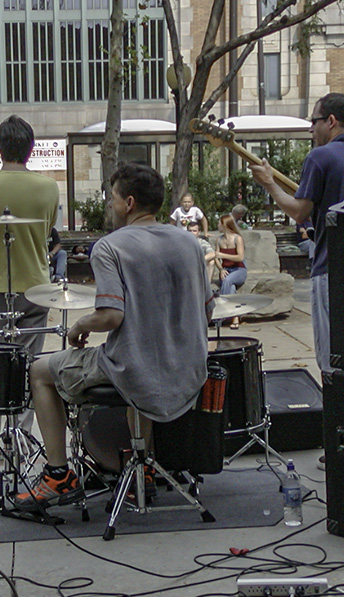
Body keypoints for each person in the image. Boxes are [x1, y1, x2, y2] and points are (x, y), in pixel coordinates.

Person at [13, 163, 214, 511]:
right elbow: (208, 311)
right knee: (142, 365)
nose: (111, 205)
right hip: (190, 371)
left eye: (114, 199)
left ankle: (58, 475)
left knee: (39, 371)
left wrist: (79, 327)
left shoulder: (110, 247)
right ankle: (143, 473)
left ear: (129, 203)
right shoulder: (191, 244)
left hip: (136, 373)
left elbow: (111, 316)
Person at [250, 93, 344, 471]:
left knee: (330, 362)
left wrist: (269, 183)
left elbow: (298, 209)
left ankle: (338, 444)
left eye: (313, 122)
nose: (310, 129)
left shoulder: (322, 156)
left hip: (330, 272)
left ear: (330, 121)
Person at [0, 115, 59, 457]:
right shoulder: (49, 187)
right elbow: (46, 234)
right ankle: (20, 437)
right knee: (30, 363)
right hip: (36, 286)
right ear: (31, 149)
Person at [215, 214, 247, 329]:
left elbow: (240, 257)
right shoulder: (219, 240)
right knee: (230, 286)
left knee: (227, 280)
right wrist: (221, 269)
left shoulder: (237, 238)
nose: (218, 225)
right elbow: (216, 257)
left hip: (239, 269)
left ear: (225, 225)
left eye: (219, 223)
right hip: (226, 269)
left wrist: (223, 255)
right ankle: (235, 317)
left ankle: (222, 312)